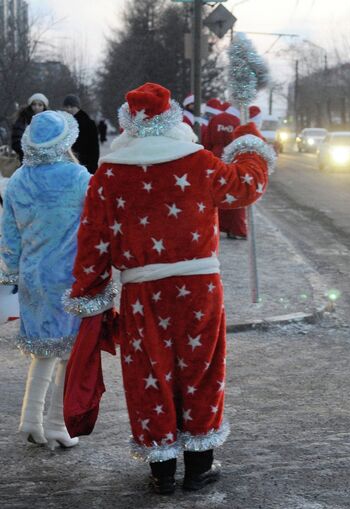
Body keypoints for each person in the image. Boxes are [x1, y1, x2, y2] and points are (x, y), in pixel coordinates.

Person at [64, 82, 273, 494]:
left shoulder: (109, 173)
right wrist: (250, 145)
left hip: (143, 293)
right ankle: (199, 466)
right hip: (199, 287)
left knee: (148, 374)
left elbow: (94, 239)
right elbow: (245, 186)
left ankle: (161, 471)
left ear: (129, 123)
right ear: (172, 118)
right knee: (201, 368)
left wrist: (90, 292)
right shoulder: (199, 161)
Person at [0, 110, 91, 450]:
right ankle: (57, 424)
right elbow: (94, 226)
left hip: (33, 277)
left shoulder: (18, 181)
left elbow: (9, 235)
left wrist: (11, 270)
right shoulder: (80, 177)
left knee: (42, 352)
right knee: (68, 352)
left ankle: (30, 420)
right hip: (68, 276)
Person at [206, 101, 248, 239]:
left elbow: (207, 141)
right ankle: (236, 228)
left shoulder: (215, 119)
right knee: (235, 191)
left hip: (216, 158)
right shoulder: (237, 122)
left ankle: (218, 226)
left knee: (216, 193)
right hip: (233, 159)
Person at [63, 94, 100, 173]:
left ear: (78, 107)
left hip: (84, 164)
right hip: (66, 164)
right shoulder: (62, 123)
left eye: (72, 106)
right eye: (66, 106)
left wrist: (92, 168)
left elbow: (94, 148)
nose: (69, 109)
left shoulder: (88, 123)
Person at [11, 93, 48, 160]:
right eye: (34, 104)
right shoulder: (22, 120)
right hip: (25, 159)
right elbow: (16, 141)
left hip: (45, 159)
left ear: (44, 107)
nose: (37, 107)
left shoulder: (49, 121)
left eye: (40, 105)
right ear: (30, 105)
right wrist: (30, 153)